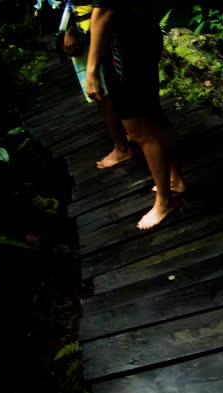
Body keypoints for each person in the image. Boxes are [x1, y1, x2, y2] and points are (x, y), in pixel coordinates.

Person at [86, 1, 185, 229]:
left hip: (125, 46)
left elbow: (104, 10)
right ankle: (175, 179)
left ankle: (164, 202)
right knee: (153, 113)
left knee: (139, 132)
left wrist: (91, 71)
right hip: (142, 31)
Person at [60, 1, 134, 169]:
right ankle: (128, 135)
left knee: (101, 90)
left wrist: (70, 29)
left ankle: (122, 146)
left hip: (93, 27)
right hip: (87, 23)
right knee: (106, 88)